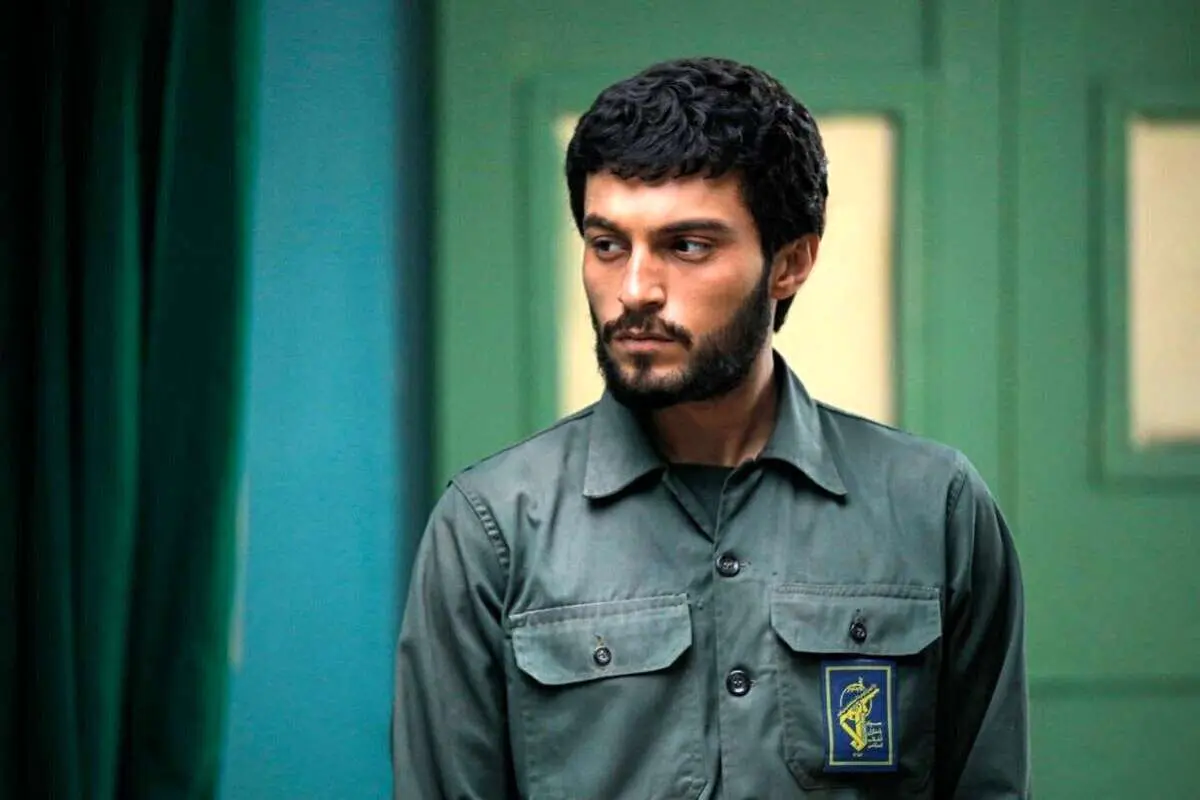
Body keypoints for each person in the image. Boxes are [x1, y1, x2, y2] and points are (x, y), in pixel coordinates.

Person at [392, 56, 1029, 799]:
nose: (635, 290)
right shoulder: (491, 527)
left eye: (686, 246)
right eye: (607, 245)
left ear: (790, 263)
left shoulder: (934, 508)